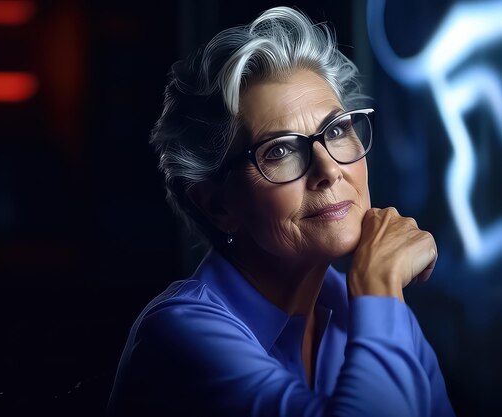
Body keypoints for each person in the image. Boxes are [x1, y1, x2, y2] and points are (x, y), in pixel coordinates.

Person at [107, 6, 456, 417]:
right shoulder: (178, 334)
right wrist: (380, 286)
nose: (328, 170)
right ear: (218, 204)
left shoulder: (367, 305)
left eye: (338, 130)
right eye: (281, 150)